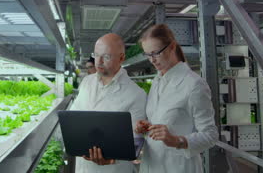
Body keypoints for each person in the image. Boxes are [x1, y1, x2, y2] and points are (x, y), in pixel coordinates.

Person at [135, 24, 218, 173]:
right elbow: (165, 120)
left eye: (156, 53)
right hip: (151, 165)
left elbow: (210, 135)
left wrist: (176, 140)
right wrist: (147, 127)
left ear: (172, 46)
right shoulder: (157, 80)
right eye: (147, 54)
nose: (152, 60)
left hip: (179, 167)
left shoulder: (194, 84)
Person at [70, 33, 147, 173]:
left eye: (106, 57)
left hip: (114, 169)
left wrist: (112, 159)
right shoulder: (87, 82)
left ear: (121, 58)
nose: (98, 62)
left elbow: (135, 141)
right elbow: (74, 117)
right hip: (83, 167)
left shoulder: (136, 94)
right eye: (96, 55)